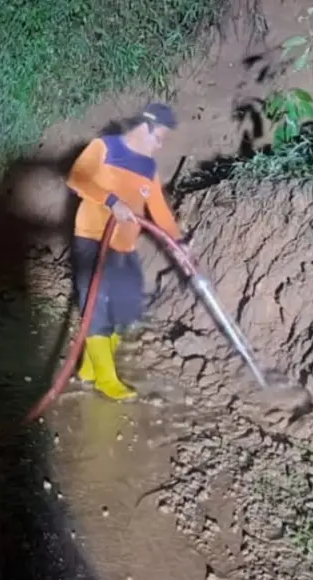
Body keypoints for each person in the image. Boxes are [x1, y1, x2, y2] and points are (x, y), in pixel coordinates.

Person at [65, 102, 185, 402]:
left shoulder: (148, 167)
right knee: (97, 303)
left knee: (127, 307)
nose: (159, 145)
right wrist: (111, 201)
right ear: (145, 127)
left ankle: (90, 368)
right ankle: (106, 379)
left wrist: (178, 242)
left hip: (125, 245)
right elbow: (77, 178)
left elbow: (159, 210)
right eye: (159, 137)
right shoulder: (104, 147)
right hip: (93, 237)